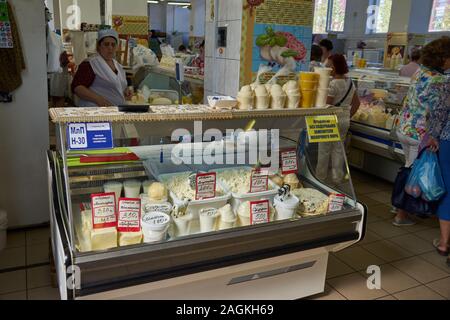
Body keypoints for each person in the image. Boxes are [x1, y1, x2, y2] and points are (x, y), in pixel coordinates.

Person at [394, 37, 450, 227]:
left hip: (404, 127)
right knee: (414, 172)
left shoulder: (420, 72)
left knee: (409, 167)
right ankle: (401, 213)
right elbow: (438, 112)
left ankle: (400, 208)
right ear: (443, 58)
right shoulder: (442, 80)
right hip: (421, 133)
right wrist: (434, 136)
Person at [418, 38, 450, 261]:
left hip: (449, 139)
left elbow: (440, 112)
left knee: (448, 190)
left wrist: (433, 136)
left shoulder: (447, 81)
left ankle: (444, 243)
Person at [316, 54, 360, 183]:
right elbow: (357, 103)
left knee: (324, 150)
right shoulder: (350, 82)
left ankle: (321, 179)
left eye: (329, 66)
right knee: (339, 149)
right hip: (344, 119)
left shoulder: (332, 84)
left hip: (328, 119)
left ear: (334, 67)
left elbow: (326, 105)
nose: (327, 68)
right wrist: (347, 115)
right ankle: (337, 178)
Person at [71, 29, 130, 107]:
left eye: (113, 45)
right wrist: (98, 99)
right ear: (98, 46)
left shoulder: (118, 66)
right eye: (106, 44)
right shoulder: (90, 63)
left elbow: (117, 86)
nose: (110, 48)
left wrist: (125, 91)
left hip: (114, 111)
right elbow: (77, 87)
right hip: (95, 111)